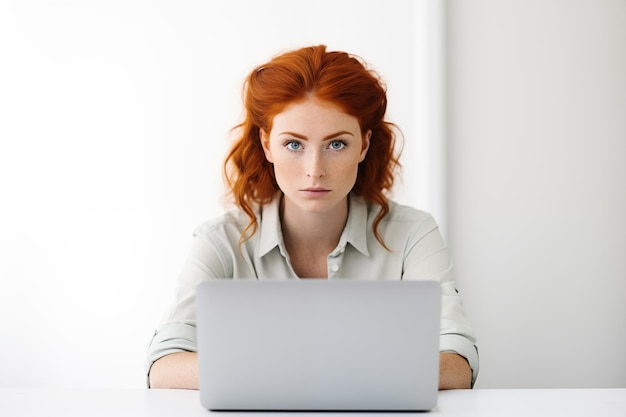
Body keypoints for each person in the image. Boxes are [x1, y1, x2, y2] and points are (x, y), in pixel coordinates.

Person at [146, 45, 479, 390]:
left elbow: (459, 365)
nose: (314, 171)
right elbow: (162, 367)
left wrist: (284, 370)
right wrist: (320, 370)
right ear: (266, 144)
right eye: (294, 144)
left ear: (364, 145)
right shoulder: (222, 241)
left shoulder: (412, 235)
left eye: (336, 145)